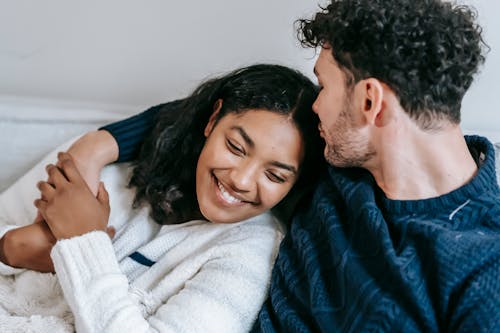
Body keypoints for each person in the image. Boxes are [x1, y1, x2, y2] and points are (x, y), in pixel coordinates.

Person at [38, 0, 499, 332]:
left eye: (324, 85)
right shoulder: (340, 167)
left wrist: (82, 239)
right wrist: (96, 148)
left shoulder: (483, 270)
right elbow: (213, 119)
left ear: (370, 101)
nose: (315, 105)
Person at [0, 64, 325, 332]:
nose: (241, 180)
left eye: (275, 175)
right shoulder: (104, 171)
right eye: (236, 148)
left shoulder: (249, 255)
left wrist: (84, 241)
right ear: (213, 120)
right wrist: (12, 247)